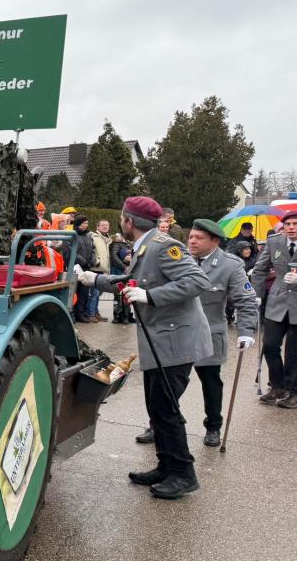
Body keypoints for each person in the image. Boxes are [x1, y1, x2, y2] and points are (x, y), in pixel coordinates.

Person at [78, 196, 211, 499]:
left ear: (130, 221)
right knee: (157, 407)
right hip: (161, 341)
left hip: (177, 340)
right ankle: (166, 466)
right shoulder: (146, 246)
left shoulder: (163, 245)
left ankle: (183, 473)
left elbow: (197, 280)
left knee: (166, 408)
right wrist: (93, 279)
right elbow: (130, 281)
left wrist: (151, 296)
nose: (120, 223)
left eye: (122, 218)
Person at [184, 220, 258, 445]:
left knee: (211, 383)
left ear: (214, 241)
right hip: (178, 333)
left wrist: (246, 331)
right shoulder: (179, 258)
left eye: (199, 238)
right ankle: (159, 424)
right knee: (169, 383)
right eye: (191, 237)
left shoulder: (230, 265)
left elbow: (245, 301)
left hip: (209, 333)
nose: (192, 241)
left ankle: (213, 426)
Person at [251, 211, 297, 407]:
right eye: (288, 224)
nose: (291, 227)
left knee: (294, 352)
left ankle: (293, 391)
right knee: (270, 345)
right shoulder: (274, 242)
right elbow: (260, 269)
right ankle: (277, 386)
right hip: (277, 300)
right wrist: (257, 294)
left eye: (295, 224)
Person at [71, 215, 98, 323]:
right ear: (78, 224)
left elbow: (92, 249)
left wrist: (92, 260)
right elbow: (70, 250)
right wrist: (83, 261)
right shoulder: (72, 235)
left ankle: (80, 314)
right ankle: (72, 314)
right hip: (75, 268)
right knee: (74, 292)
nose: (86, 225)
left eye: (87, 223)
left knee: (84, 292)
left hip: (86, 267)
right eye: (84, 223)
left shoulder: (88, 236)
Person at [88, 219, 112, 320]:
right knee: (94, 293)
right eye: (103, 225)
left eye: (107, 225)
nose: (105, 227)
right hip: (95, 268)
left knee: (98, 293)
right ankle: (91, 314)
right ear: (97, 227)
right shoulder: (93, 237)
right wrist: (96, 262)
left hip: (103, 269)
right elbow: (90, 250)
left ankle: (96, 313)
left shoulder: (108, 239)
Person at [109, 232, 135, 323]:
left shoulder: (128, 244)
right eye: (116, 236)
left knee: (126, 293)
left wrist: (129, 264)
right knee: (118, 293)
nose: (117, 237)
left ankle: (126, 316)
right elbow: (114, 257)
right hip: (118, 271)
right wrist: (125, 266)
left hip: (125, 271)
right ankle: (118, 315)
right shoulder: (115, 245)